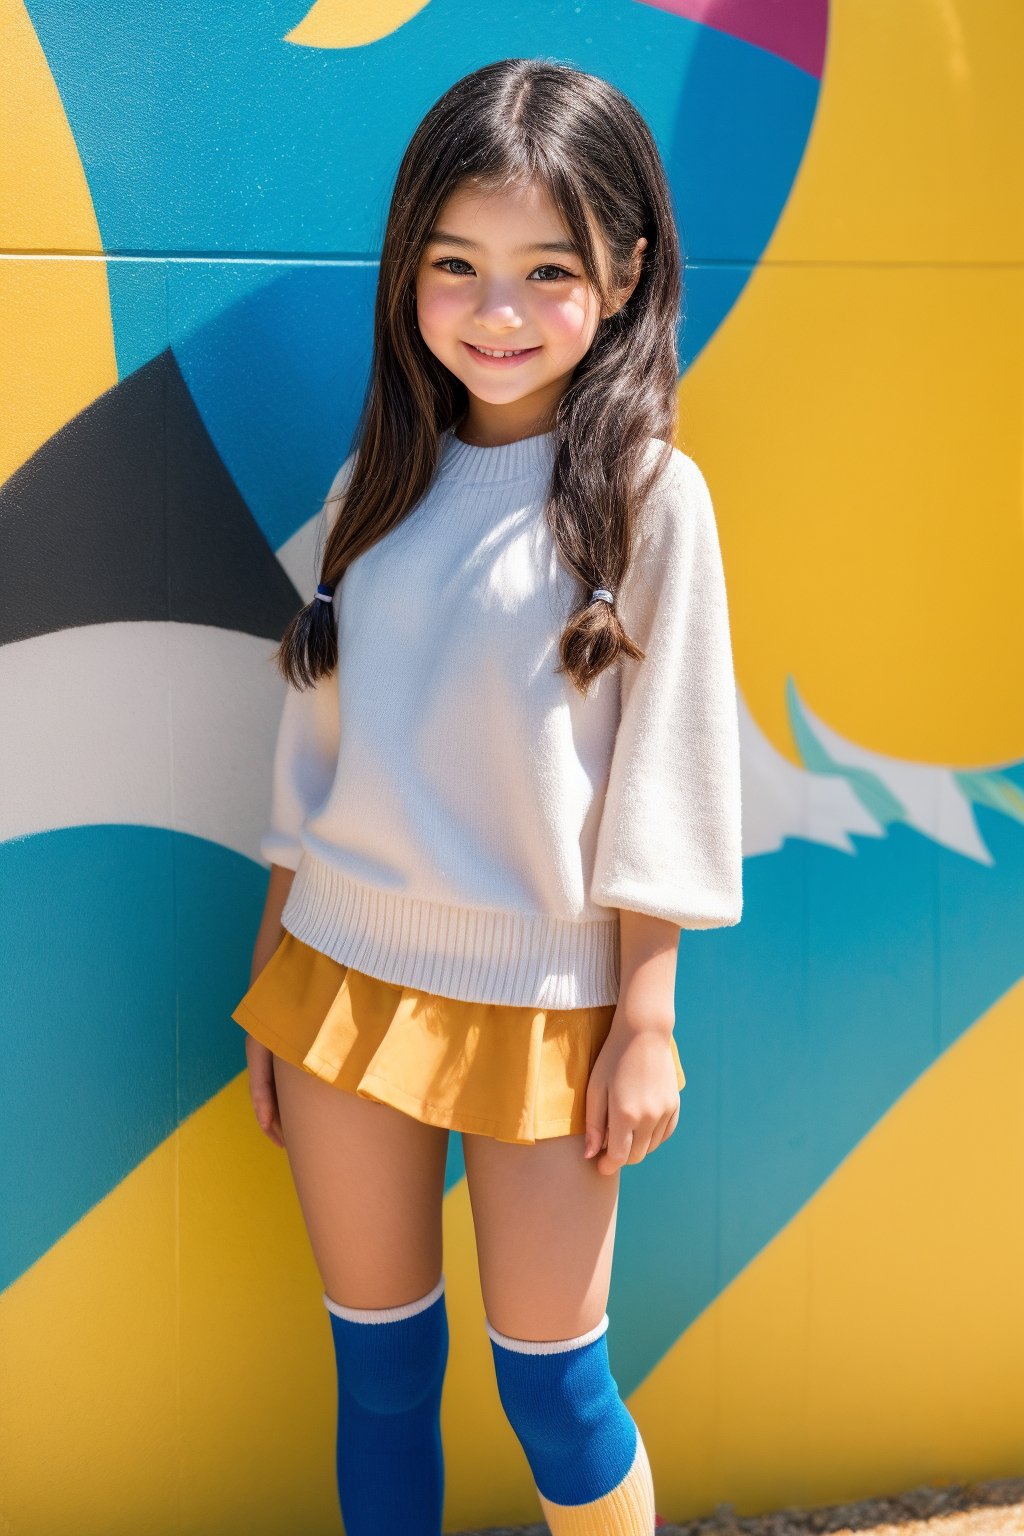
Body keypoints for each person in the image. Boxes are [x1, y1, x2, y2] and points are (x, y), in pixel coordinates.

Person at [231, 55, 743, 1536]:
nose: (496, 311)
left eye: (546, 271)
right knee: (381, 1376)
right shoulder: (374, 485)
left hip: (550, 1009)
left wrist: (644, 1019)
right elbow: (308, 758)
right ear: (407, 272)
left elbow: (673, 767)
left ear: (627, 272)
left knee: (554, 1387)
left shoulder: (652, 496)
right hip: (340, 980)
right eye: (455, 266)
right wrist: (274, 982)